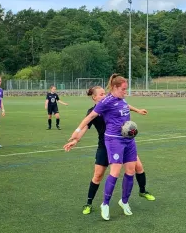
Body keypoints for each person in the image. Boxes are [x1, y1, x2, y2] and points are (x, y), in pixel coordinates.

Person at [64, 86, 154, 216]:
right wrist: (76, 140)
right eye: (101, 94)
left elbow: (125, 106)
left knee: (137, 167)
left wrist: (138, 110)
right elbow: (85, 126)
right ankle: (89, 203)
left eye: (104, 93)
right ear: (94, 97)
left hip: (122, 143)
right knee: (98, 175)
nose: (104, 96)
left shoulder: (113, 102)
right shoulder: (93, 111)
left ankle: (143, 191)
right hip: (105, 146)